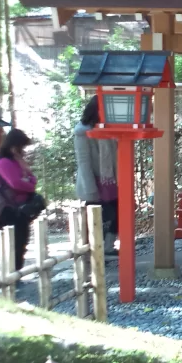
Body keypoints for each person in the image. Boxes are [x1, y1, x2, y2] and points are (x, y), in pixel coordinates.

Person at [0, 128, 45, 271]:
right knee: (12, 247)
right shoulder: (3, 163)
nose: (23, 150)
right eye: (21, 147)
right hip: (9, 211)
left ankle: (17, 276)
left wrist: (26, 177)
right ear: (13, 146)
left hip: (21, 210)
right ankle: (10, 279)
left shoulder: (17, 162)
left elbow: (32, 180)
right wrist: (27, 182)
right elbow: (15, 183)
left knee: (22, 244)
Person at [74, 96, 118, 256]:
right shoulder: (82, 131)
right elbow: (83, 162)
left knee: (118, 213)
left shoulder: (109, 128)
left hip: (110, 179)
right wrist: (91, 189)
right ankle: (94, 252)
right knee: (95, 219)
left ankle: (107, 247)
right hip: (93, 180)